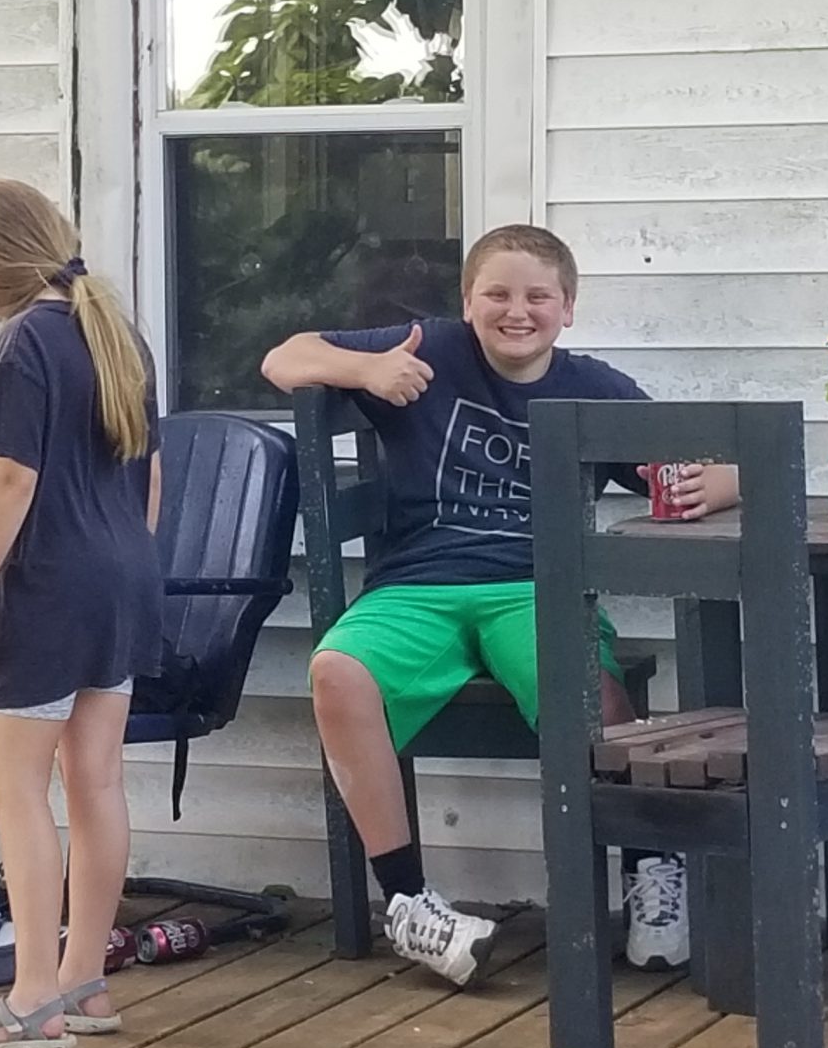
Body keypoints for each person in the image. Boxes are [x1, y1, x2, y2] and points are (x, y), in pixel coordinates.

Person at [259, 224, 738, 987]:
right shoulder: (427, 349)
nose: (518, 311)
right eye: (498, 295)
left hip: (535, 587)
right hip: (418, 586)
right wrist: (368, 369)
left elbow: (692, 465)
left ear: (567, 308)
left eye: (538, 296)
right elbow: (284, 358)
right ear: (467, 302)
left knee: (585, 686)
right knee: (337, 672)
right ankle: (409, 903)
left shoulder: (593, 387)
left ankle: (651, 865)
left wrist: (718, 483)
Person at [0, 179, 162, 1048]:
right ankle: (83, 978)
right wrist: (125, 561)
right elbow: (150, 476)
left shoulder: (26, 338)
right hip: (125, 578)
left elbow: (11, 481)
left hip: (49, 584)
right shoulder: (117, 332)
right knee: (96, 780)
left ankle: (31, 1000)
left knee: (13, 782)